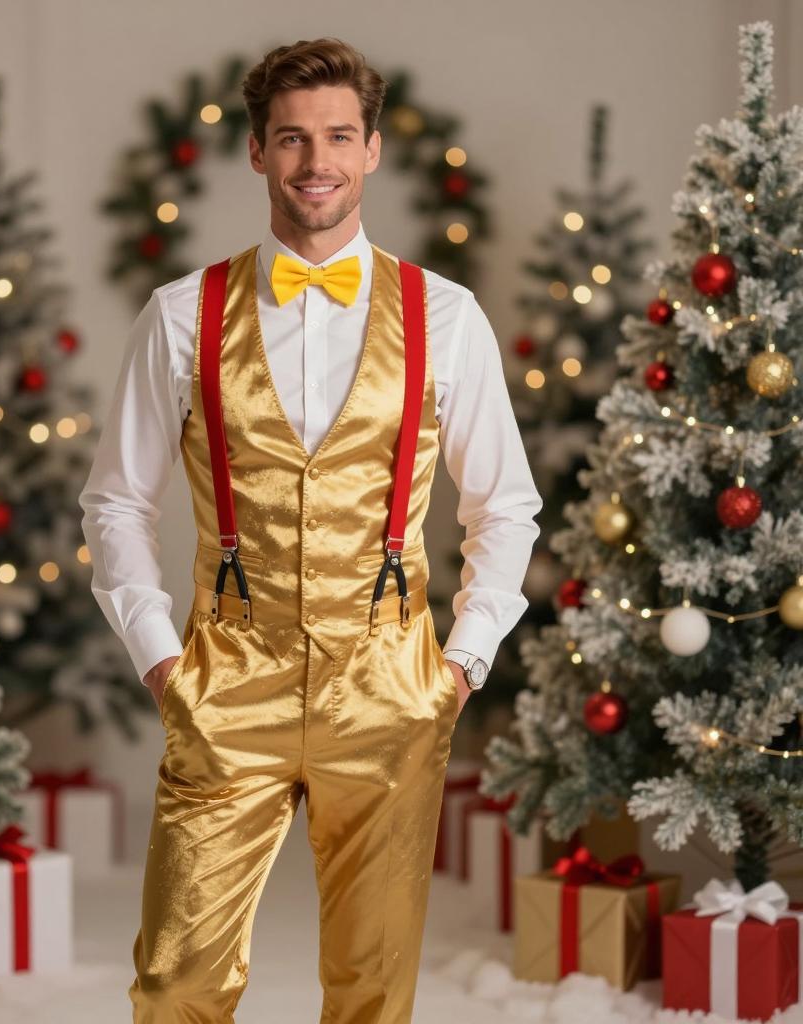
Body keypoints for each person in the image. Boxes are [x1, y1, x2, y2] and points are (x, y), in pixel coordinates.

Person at [79, 36, 542, 1023]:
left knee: (374, 989)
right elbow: (116, 500)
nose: (314, 161)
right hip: (226, 676)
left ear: (372, 149)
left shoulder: (447, 317)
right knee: (175, 979)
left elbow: (505, 504)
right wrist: (164, 661)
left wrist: (456, 668)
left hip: (390, 683)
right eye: (291, 139)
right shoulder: (179, 315)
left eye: (337, 136)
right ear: (256, 152)